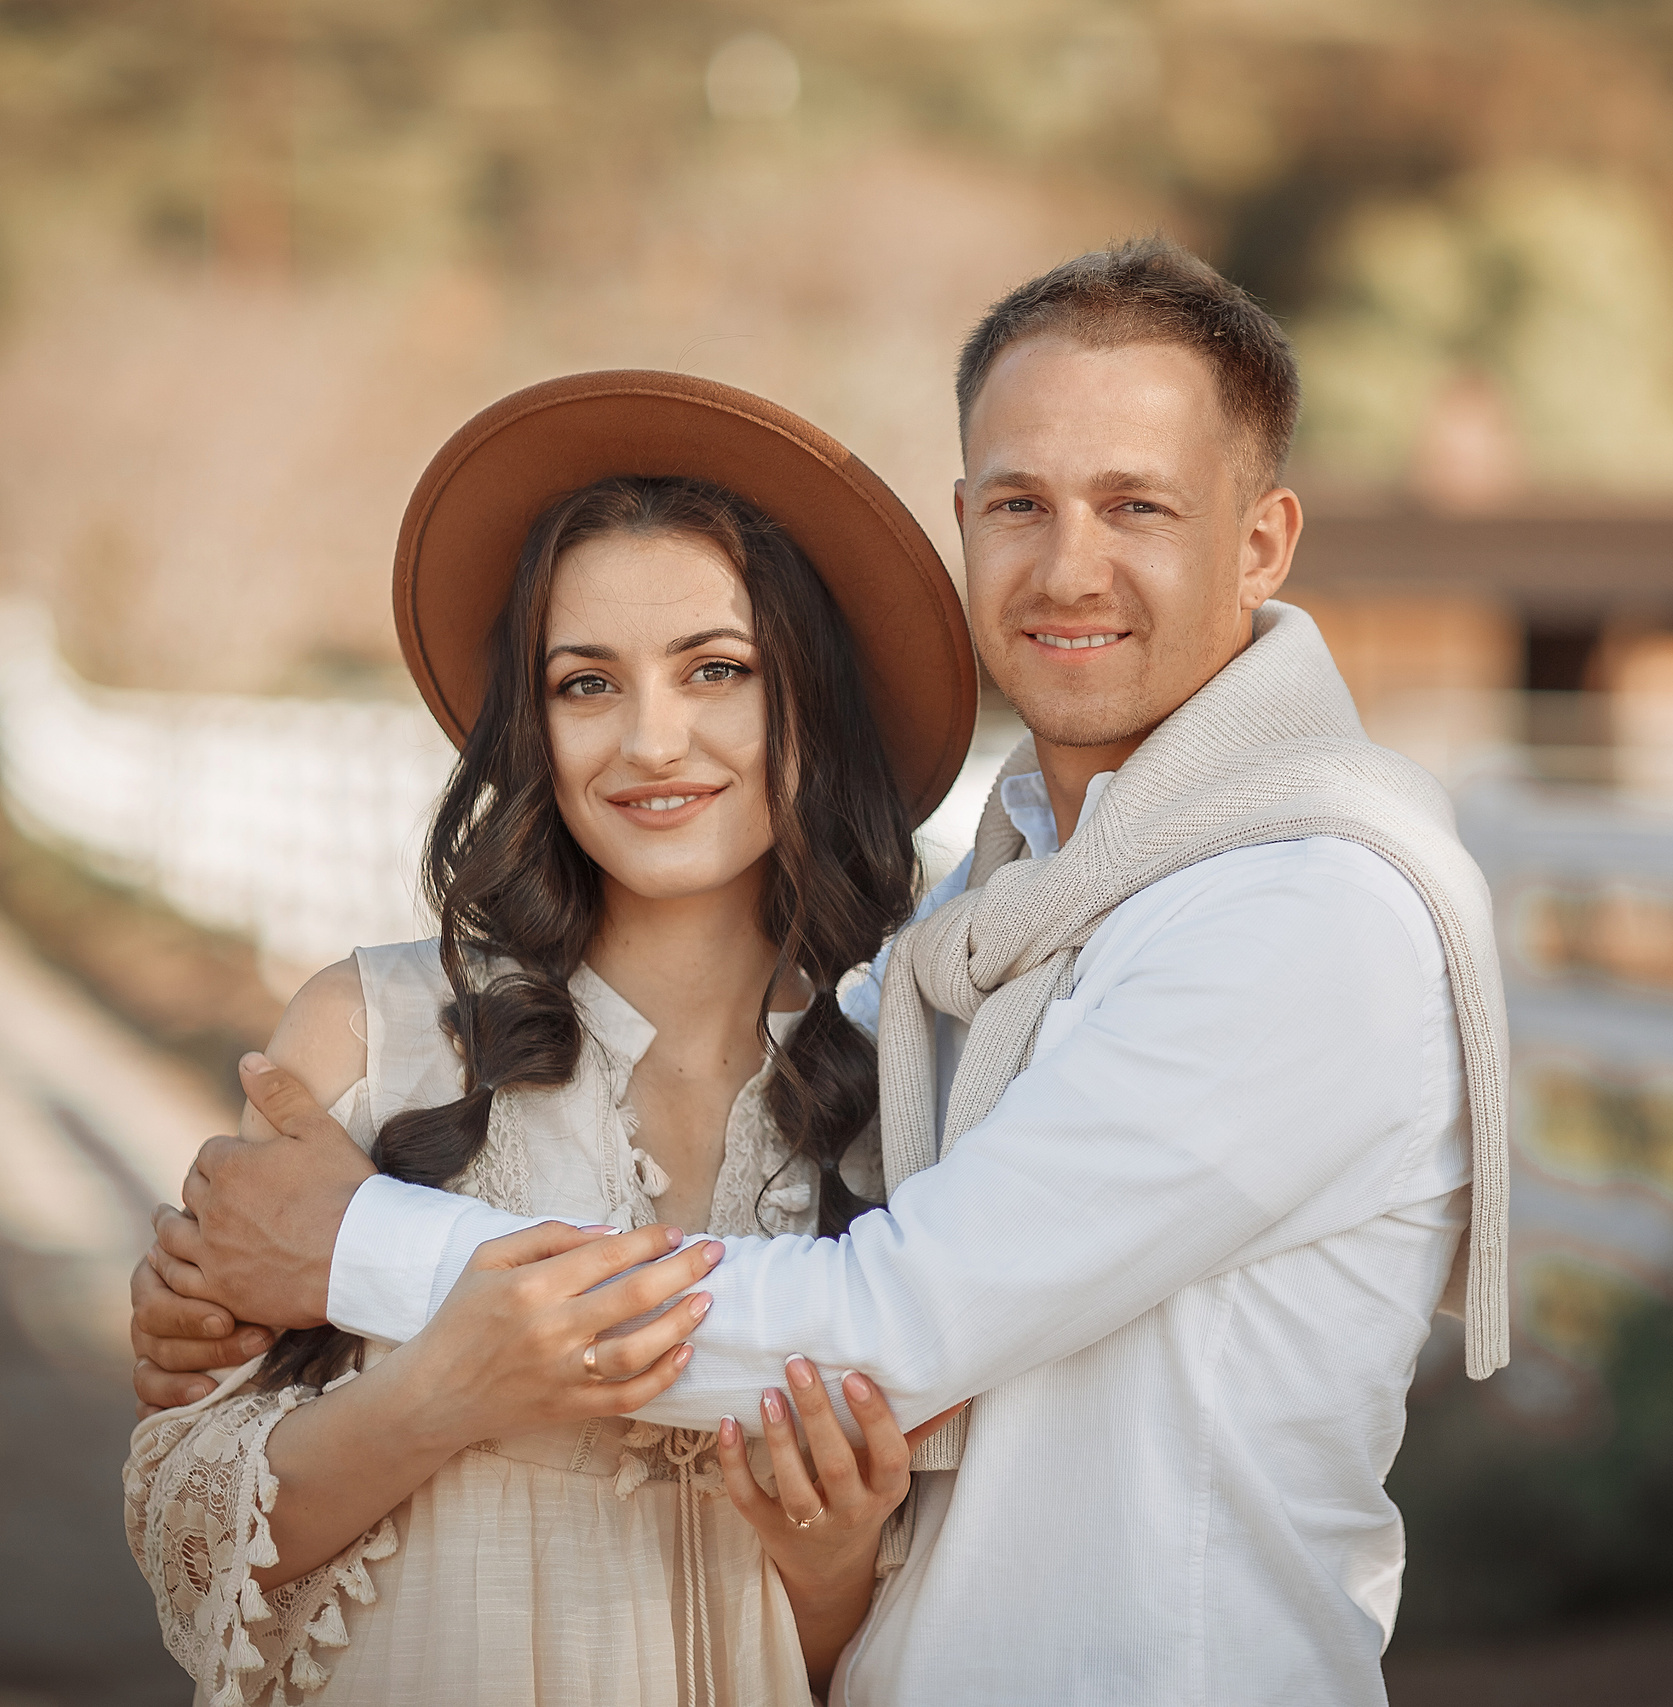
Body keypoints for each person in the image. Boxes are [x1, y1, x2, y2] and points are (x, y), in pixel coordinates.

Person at [134, 237, 1513, 1706]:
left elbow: (888, 1331)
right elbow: (198, 1485)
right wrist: (294, 1321)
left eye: (1138, 506)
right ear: (965, 521)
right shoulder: (968, 952)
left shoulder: (1290, 913)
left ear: (1260, 541)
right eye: (1020, 505)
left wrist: (360, 1253)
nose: (1068, 566)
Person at [122, 374, 981, 1705]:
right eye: (587, 683)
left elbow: (886, 1651)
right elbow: (191, 1530)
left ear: (816, 698)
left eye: (717, 669)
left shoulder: (914, 1102)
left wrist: (831, 1565)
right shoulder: (377, 1034)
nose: (651, 739)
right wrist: (443, 1393)